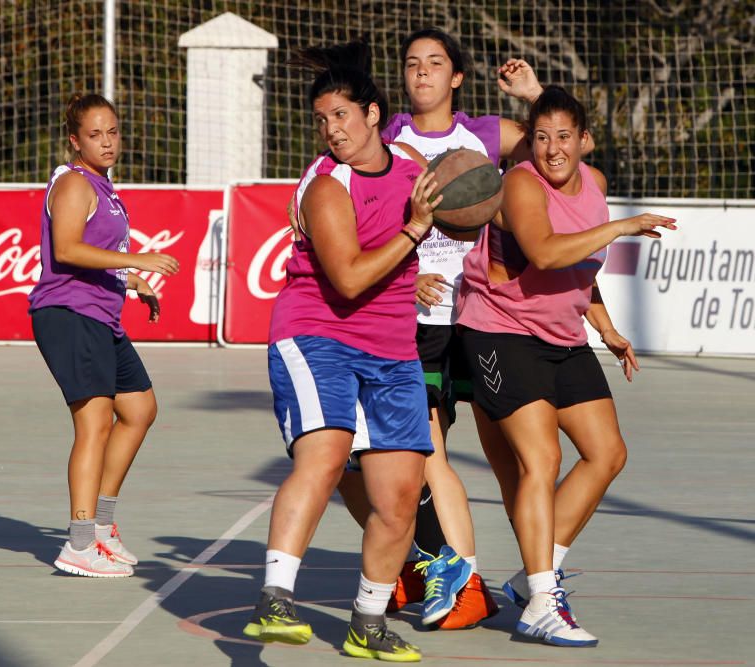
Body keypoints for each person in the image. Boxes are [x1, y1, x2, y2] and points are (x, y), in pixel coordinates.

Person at [338, 27, 549, 629]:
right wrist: (402, 281)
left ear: (457, 76)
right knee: (413, 453)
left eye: (436, 64)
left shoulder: (485, 134)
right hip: (417, 318)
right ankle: (450, 574)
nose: (423, 72)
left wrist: (533, 96)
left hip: (485, 317)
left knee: (510, 462)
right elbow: (354, 211)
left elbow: (561, 143)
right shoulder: (389, 138)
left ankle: (533, 578)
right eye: (412, 64)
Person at [456, 85, 676, 646]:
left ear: (584, 140)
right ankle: (541, 602)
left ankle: (536, 572)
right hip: (499, 331)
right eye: (541, 137)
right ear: (530, 142)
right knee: (542, 459)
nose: (552, 149)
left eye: (563, 137)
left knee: (607, 454)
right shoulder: (520, 184)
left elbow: (582, 266)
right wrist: (622, 227)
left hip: (563, 335)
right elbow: (551, 251)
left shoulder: (594, 185)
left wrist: (606, 328)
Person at [242, 41, 441, 663]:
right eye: (322, 119)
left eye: (341, 115)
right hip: (317, 334)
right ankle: (275, 596)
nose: (331, 130)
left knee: (400, 495)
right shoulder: (328, 188)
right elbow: (351, 279)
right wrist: (413, 233)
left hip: (392, 347)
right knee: (325, 457)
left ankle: (368, 620)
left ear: (374, 114)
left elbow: (457, 217)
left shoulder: (414, 171)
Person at [28, 93, 179, 578]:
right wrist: (137, 260)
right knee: (92, 424)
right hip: (68, 315)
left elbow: (94, 252)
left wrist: (133, 284)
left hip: (100, 314)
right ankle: (77, 543)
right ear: (75, 140)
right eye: (95, 134)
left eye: (112, 131)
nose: (107, 141)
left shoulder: (102, 184)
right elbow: (68, 249)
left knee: (139, 410)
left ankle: (101, 528)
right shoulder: (74, 183)